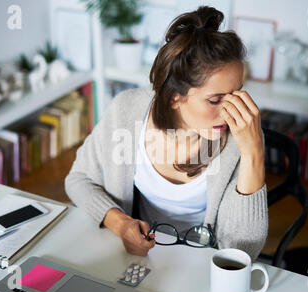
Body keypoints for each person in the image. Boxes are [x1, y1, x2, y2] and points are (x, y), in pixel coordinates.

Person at [65, 6, 268, 260]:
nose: (230, 113)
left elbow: (242, 251)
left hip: (203, 263)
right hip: (139, 255)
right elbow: (79, 180)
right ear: (174, 97)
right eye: (215, 100)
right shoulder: (125, 112)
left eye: (236, 94)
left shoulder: (239, 140)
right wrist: (120, 223)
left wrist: (254, 153)